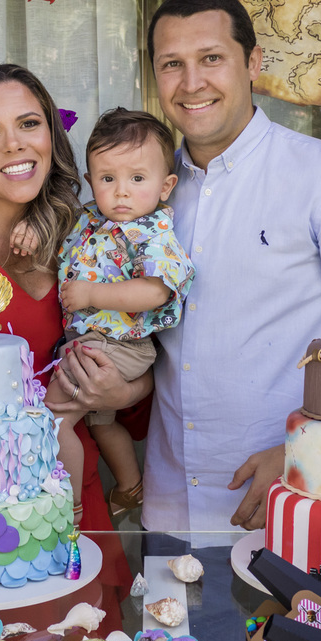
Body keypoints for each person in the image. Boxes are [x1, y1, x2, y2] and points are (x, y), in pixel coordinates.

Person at [142, 0, 321, 534]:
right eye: (171, 64)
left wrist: (305, 451)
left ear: (253, 63)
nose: (191, 83)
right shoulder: (145, 194)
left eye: (211, 59)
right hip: (169, 509)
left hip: (298, 507)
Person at [0, 64, 145, 567]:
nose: (14, 145)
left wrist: (125, 393)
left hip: (73, 497)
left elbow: (140, 352)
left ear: (51, 134)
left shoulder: (94, 237)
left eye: (28, 124)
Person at [47, 108, 194, 516]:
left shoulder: (151, 232)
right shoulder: (90, 219)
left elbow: (155, 291)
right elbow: (55, 239)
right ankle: (131, 487)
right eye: (108, 179)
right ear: (92, 181)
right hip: (99, 342)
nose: (122, 192)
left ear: (165, 186)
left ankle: (67, 509)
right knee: (100, 422)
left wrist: (93, 292)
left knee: (53, 418)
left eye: (137, 178)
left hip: (120, 344)